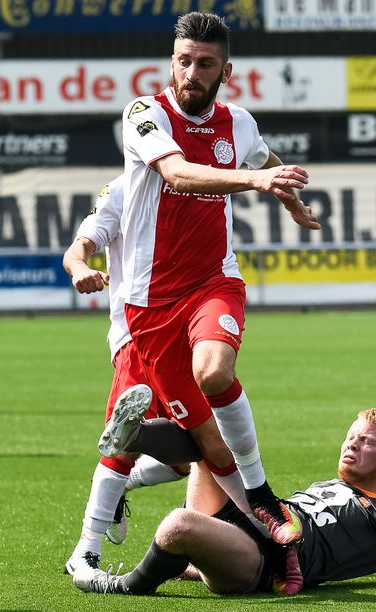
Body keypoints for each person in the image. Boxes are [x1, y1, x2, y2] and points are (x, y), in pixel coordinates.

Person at [118, 10, 321, 547]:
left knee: (213, 372)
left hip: (214, 281)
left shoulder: (241, 123)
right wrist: (257, 180)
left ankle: (262, 498)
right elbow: (177, 173)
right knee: (200, 441)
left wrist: (289, 199)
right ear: (171, 63)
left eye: (205, 63)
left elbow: (265, 156)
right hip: (152, 301)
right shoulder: (144, 113)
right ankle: (122, 478)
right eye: (184, 61)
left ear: (224, 72)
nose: (192, 72)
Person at [73, 408, 376, 596]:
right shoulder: (326, 484)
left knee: (178, 525)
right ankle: (134, 436)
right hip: (253, 523)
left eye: (368, 442)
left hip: (266, 564)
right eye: (352, 436)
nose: (353, 444)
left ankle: (125, 585)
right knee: (213, 436)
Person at [61, 176, 201, 573]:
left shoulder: (201, 182)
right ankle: (85, 552)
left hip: (188, 335)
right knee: (124, 437)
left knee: (199, 453)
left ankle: (126, 484)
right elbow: (78, 249)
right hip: (137, 334)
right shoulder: (121, 190)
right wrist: (79, 270)